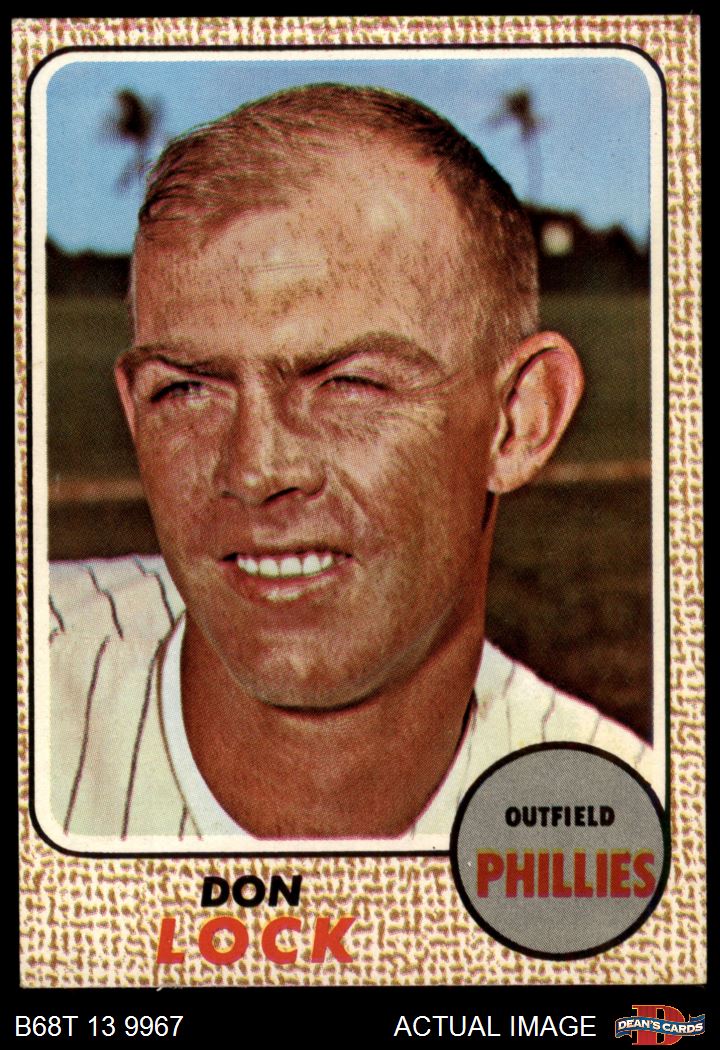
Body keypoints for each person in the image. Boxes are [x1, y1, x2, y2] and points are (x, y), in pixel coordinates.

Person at [45, 84, 654, 847]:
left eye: (350, 383)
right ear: (135, 414)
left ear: (518, 421)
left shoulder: (624, 831)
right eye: (187, 389)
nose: (256, 469)